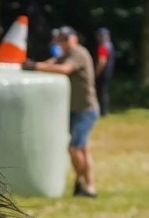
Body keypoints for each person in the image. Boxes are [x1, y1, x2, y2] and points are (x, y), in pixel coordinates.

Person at [27, 26, 100, 198]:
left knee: (74, 148)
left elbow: (65, 69)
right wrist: (33, 65)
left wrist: (35, 66)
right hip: (75, 109)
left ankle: (80, 182)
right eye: (62, 39)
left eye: (66, 39)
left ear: (74, 39)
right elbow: (52, 63)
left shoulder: (78, 53)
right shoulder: (64, 54)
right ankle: (90, 187)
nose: (64, 42)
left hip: (85, 109)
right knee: (82, 149)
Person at [95, 27, 114, 116]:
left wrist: (96, 72)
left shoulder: (102, 47)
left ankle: (102, 111)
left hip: (103, 72)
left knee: (101, 92)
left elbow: (102, 61)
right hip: (109, 72)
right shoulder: (110, 45)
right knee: (104, 91)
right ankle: (104, 110)